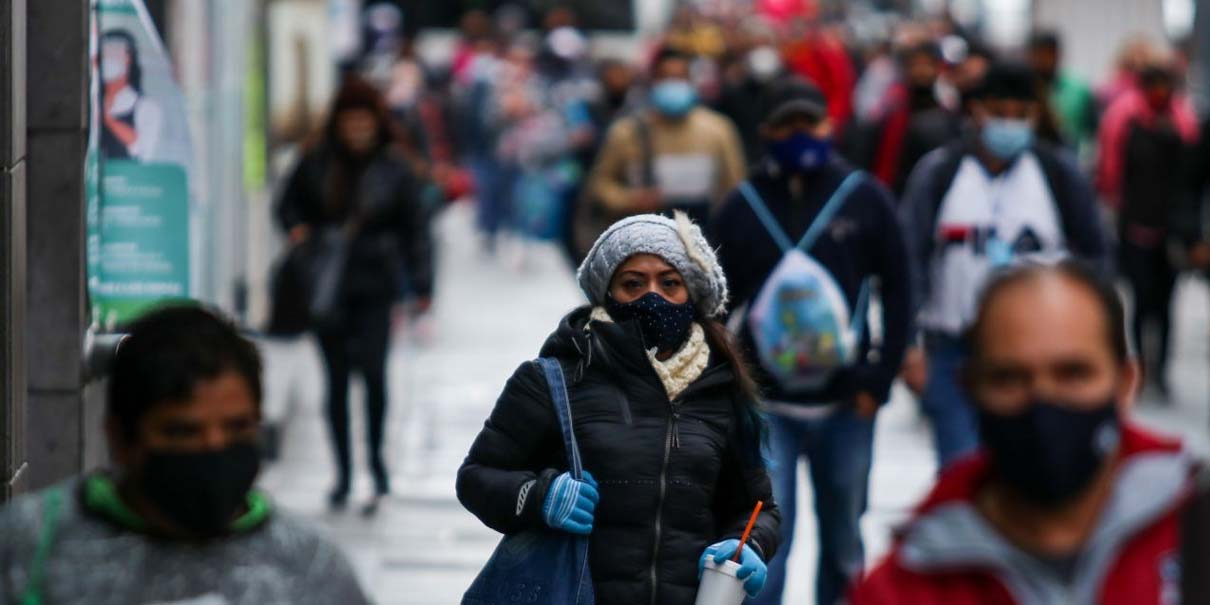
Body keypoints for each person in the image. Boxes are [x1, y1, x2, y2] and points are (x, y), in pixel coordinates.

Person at [457, 213, 780, 604]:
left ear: (691, 295)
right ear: (607, 293)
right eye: (633, 283)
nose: (652, 296)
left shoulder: (721, 388)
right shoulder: (553, 379)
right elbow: (477, 477)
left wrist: (749, 546)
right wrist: (541, 497)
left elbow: (757, 507)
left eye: (670, 283)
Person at [850, 262, 1198, 605]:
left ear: (1125, 383)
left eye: (1073, 373)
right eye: (1010, 379)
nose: (1044, 402)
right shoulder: (904, 590)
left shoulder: (1193, 526)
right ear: (970, 389)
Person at [0, 305, 369, 604]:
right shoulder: (29, 548)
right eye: (183, 431)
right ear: (120, 437)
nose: (214, 447)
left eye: (237, 428)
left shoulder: (311, 567)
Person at [711, 78, 913, 605]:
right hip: (766, 405)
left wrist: (879, 378)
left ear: (830, 127)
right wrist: (724, 386)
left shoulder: (864, 198)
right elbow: (714, 304)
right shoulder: (743, 205)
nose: (801, 135)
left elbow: (901, 287)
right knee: (765, 540)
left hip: (848, 403)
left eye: (811, 124)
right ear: (766, 132)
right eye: (788, 125)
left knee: (845, 539)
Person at [900, 61, 1109, 468]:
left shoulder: (1057, 175)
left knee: (1030, 469)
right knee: (960, 470)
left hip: (1038, 353)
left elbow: (1097, 255)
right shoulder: (941, 173)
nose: (1009, 124)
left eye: (1020, 115)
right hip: (954, 349)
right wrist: (910, 346)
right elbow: (911, 260)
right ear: (977, 111)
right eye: (999, 113)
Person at [276, 76, 433, 513]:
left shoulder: (394, 166)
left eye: (365, 123)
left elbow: (416, 228)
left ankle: (377, 467)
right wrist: (300, 232)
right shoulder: (316, 161)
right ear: (338, 123)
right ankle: (343, 472)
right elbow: (286, 205)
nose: (358, 132)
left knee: (376, 378)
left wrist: (422, 284)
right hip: (328, 287)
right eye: (351, 123)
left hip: (376, 285)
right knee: (336, 381)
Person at [1096, 60, 1199, 398]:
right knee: (1140, 302)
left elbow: (1192, 182)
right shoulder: (1124, 118)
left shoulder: (1185, 122)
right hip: (1135, 226)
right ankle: (1139, 367)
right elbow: (1110, 171)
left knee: (1166, 304)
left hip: (1171, 231)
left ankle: (1162, 372)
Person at [584, 48, 746, 228]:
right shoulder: (627, 132)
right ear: (653, 81)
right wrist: (631, 200)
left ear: (690, 81)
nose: (673, 84)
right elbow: (599, 186)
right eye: (666, 77)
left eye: (679, 77)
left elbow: (734, 188)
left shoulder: (718, 130)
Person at [1027, 30, 1098, 163]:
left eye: (1049, 53)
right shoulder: (1023, 89)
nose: (1044, 59)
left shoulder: (1078, 89)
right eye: (1039, 54)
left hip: (1070, 160)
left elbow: (1091, 132)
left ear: (1058, 54)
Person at [98, 29, 163, 161]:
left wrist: (108, 120)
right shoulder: (93, 101)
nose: (107, 58)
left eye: (113, 52)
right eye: (104, 53)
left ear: (128, 58)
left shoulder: (146, 107)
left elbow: (142, 150)